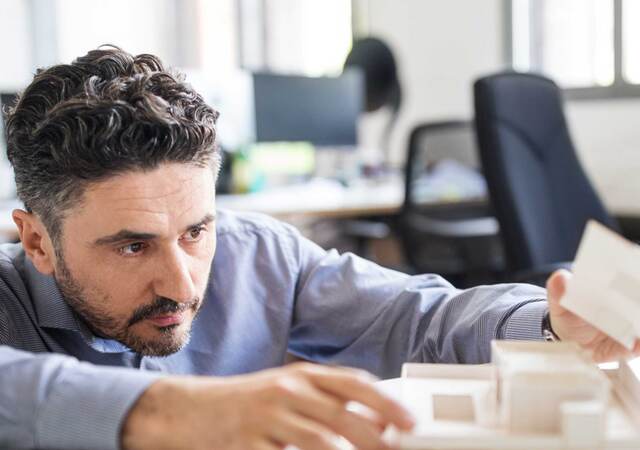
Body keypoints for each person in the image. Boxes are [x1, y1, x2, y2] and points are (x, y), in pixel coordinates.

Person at [0, 46, 636, 450]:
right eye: (133, 247)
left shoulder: (259, 255)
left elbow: (414, 316)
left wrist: (550, 327)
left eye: (196, 232)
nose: (184, 284)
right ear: (38, 241)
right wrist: (168, 414)